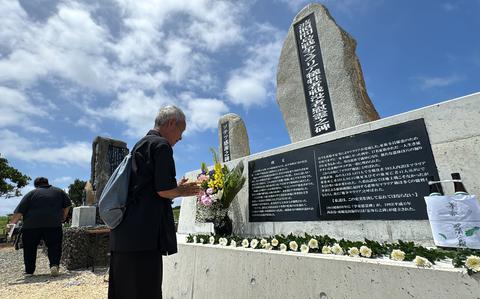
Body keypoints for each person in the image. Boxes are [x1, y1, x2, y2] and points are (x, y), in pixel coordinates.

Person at [108, 105, 201, 299]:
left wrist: (175, 187)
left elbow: (148, 188)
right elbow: (163, 190)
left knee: (123, 289)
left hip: (124, 231)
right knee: (145, 290)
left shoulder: (141, 144)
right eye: (181, 131)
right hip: (143, 236)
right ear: (171, 123)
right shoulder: (161, 145)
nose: (181, 138)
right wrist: (185, 190)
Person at [9, 177, 72, 277]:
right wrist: (63, 217)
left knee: (30, 247)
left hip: (31, 226)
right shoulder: (59, 192)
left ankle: (29, 271)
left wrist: (11, 227)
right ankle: (54, 265)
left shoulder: (31, 194)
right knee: (54, 245)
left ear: (36, 185)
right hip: (53, 224)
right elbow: (68, 205)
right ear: (47, 183)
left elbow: (19, 212)